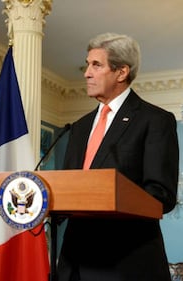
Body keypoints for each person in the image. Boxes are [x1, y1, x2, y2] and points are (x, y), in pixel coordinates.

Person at [57, 32, 179, 281]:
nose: (86, 73)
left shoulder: (155, 121)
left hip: (126, 263)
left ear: (122, 72)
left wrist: (109, 196)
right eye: (87, 64)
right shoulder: (79, 127)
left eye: (96, 65)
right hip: (74, 263)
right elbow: (69, 185)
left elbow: (161, 195)